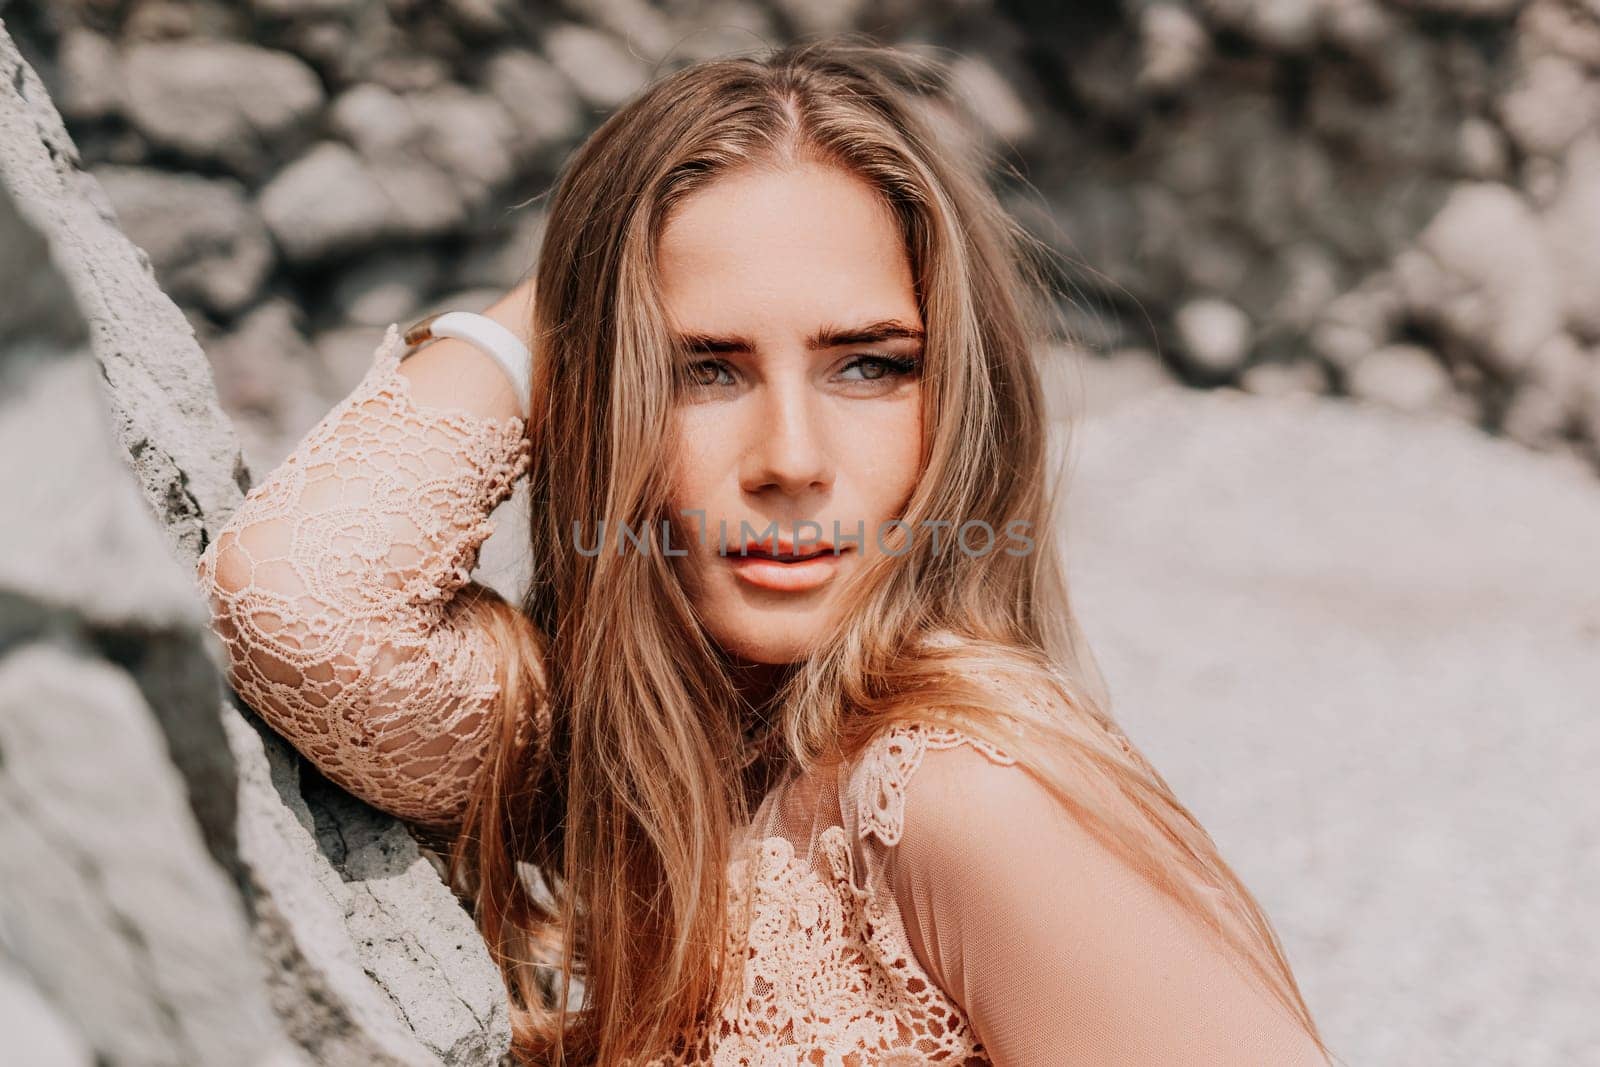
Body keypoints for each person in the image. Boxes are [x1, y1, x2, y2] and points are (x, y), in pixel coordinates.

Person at [194, 36, 1334, 1066]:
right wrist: (583, 281)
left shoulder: (961, 794)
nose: (791, 457)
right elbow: (300, 598)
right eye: (702, 368)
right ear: (596, 397)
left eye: (868, 363)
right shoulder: (607, 756)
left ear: (957, 404)